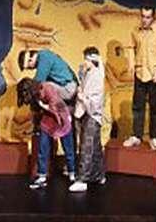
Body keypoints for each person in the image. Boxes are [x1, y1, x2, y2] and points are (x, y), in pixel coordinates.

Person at [17, 77, 76, 189]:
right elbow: (36, 112)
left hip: (62, 118)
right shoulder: (35, 96)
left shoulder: (47, 88)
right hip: (48, 121)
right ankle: (42, 175)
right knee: (43, 149)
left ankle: (72, 172)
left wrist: (44, 106)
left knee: (68, 149)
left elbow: (56, 107)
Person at [123, 6, 156, 151]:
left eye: (148, 17)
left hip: (154, 74)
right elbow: (130, 47)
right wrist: (131, 65)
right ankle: (137, 135)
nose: (145, 20)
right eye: (143, 16)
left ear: (153, 18)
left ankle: (154, 137)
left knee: (155, 107)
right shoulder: (135, 30)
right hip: (140, 72)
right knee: (138, 106)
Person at [69, 46, 106, 192]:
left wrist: (82, 97)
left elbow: (95, 98)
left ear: (92, 59)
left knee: (87, 146)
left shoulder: (97, 75)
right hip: (84, 111)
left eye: (86, 59)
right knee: (95, 146)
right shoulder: (87, 72)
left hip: (92, 113)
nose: (84, 62)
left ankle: (83, 179)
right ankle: (98, 175)